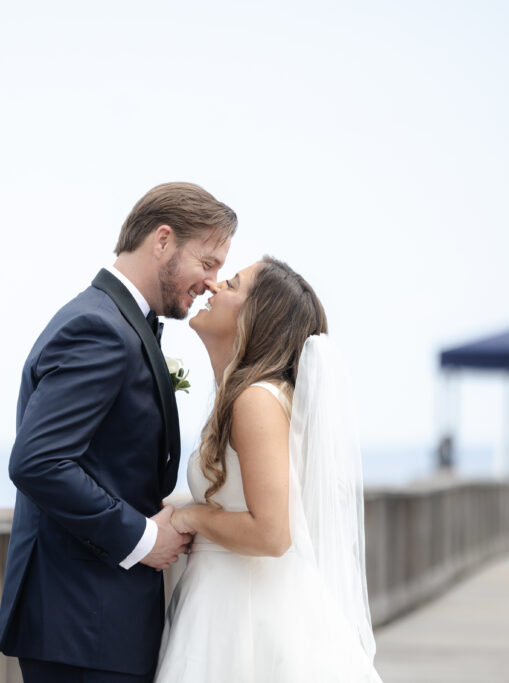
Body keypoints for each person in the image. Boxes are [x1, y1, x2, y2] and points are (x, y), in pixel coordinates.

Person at [0, 182, 238, 682]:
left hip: (96, 622)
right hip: (82, 624)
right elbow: (38, 461)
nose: (214, 282)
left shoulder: (119, 322)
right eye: (209, 262)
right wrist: (142, 537)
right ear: (164, 240)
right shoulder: (100, 328)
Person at [155, 256, 383, 682]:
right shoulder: (248, 397)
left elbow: (272, 533)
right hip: (230, 601)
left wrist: (191, 517)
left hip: (246, 617)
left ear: (256, 317)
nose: (216, 286)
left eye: (234, 284)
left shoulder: (255, 400)